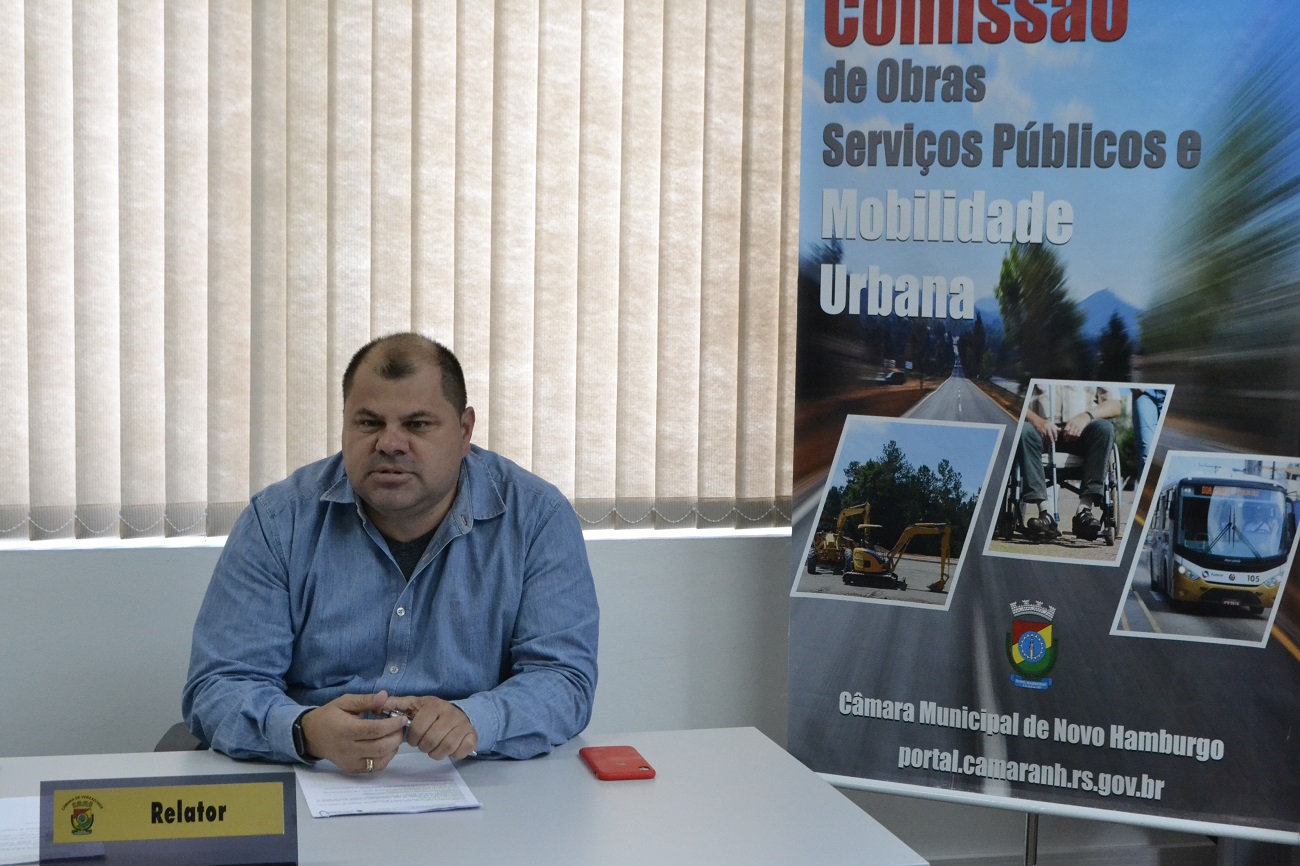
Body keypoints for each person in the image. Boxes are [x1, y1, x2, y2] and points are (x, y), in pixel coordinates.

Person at [183, 333, 599, 773]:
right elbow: (219, 685)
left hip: (479, 776)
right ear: (344, 424)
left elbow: (564, 680)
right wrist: (304, 731)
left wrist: (474, 718)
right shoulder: (278, 521)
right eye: (368, 423)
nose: (390, 444)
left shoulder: (536, 518)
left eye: (417, 424)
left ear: (463, 431)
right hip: (317, 775)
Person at [1016, 383, 1121, 541]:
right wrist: (1038, 422)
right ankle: (1046, 514)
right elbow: (1013, 402)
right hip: (1043, 432)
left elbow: (1115, 405)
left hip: (1084, 431)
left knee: (1105, 428)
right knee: (1024, 431)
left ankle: (1084, 511)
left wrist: (1086, 416)